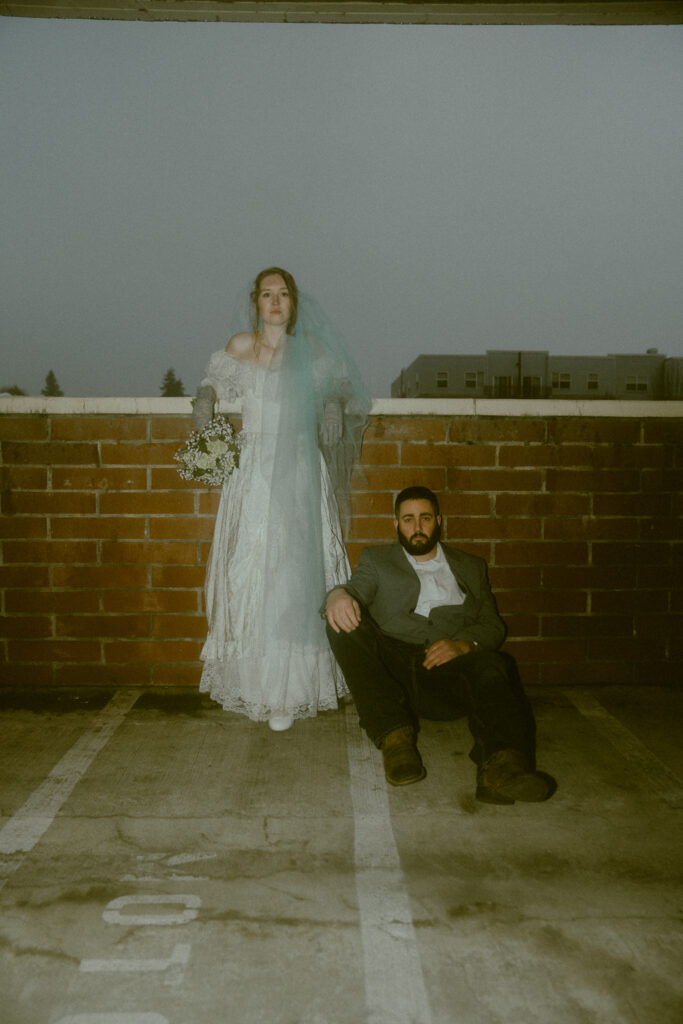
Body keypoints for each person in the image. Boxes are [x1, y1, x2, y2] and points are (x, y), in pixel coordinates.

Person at [194, 267, 369, 731]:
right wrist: (204, 397)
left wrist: (332, 403)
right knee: (251, 571)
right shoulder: (241, 346)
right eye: (267, 294)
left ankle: (292, 691)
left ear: (294, 303)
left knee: (296, 569)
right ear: (256, 300)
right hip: (254, 469)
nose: (275, 301)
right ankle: (258, 688)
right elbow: (214, 381)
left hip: (296, 466)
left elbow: (341, 385)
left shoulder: (310, 349)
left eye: (283, 294)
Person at [324, 485, 555, 804]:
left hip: (447, 674)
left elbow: (493, 625)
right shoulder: (377, 559)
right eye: (408, 519)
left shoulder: (471, 567)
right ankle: (395, 740)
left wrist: (464, 644)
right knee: (341, 621)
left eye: (425, 518)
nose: (417, 528)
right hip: (393, 671)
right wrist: (337, 595)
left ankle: (502, 768)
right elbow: (355, 591)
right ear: (396, 524)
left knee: (496, 664)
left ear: (438, 521)